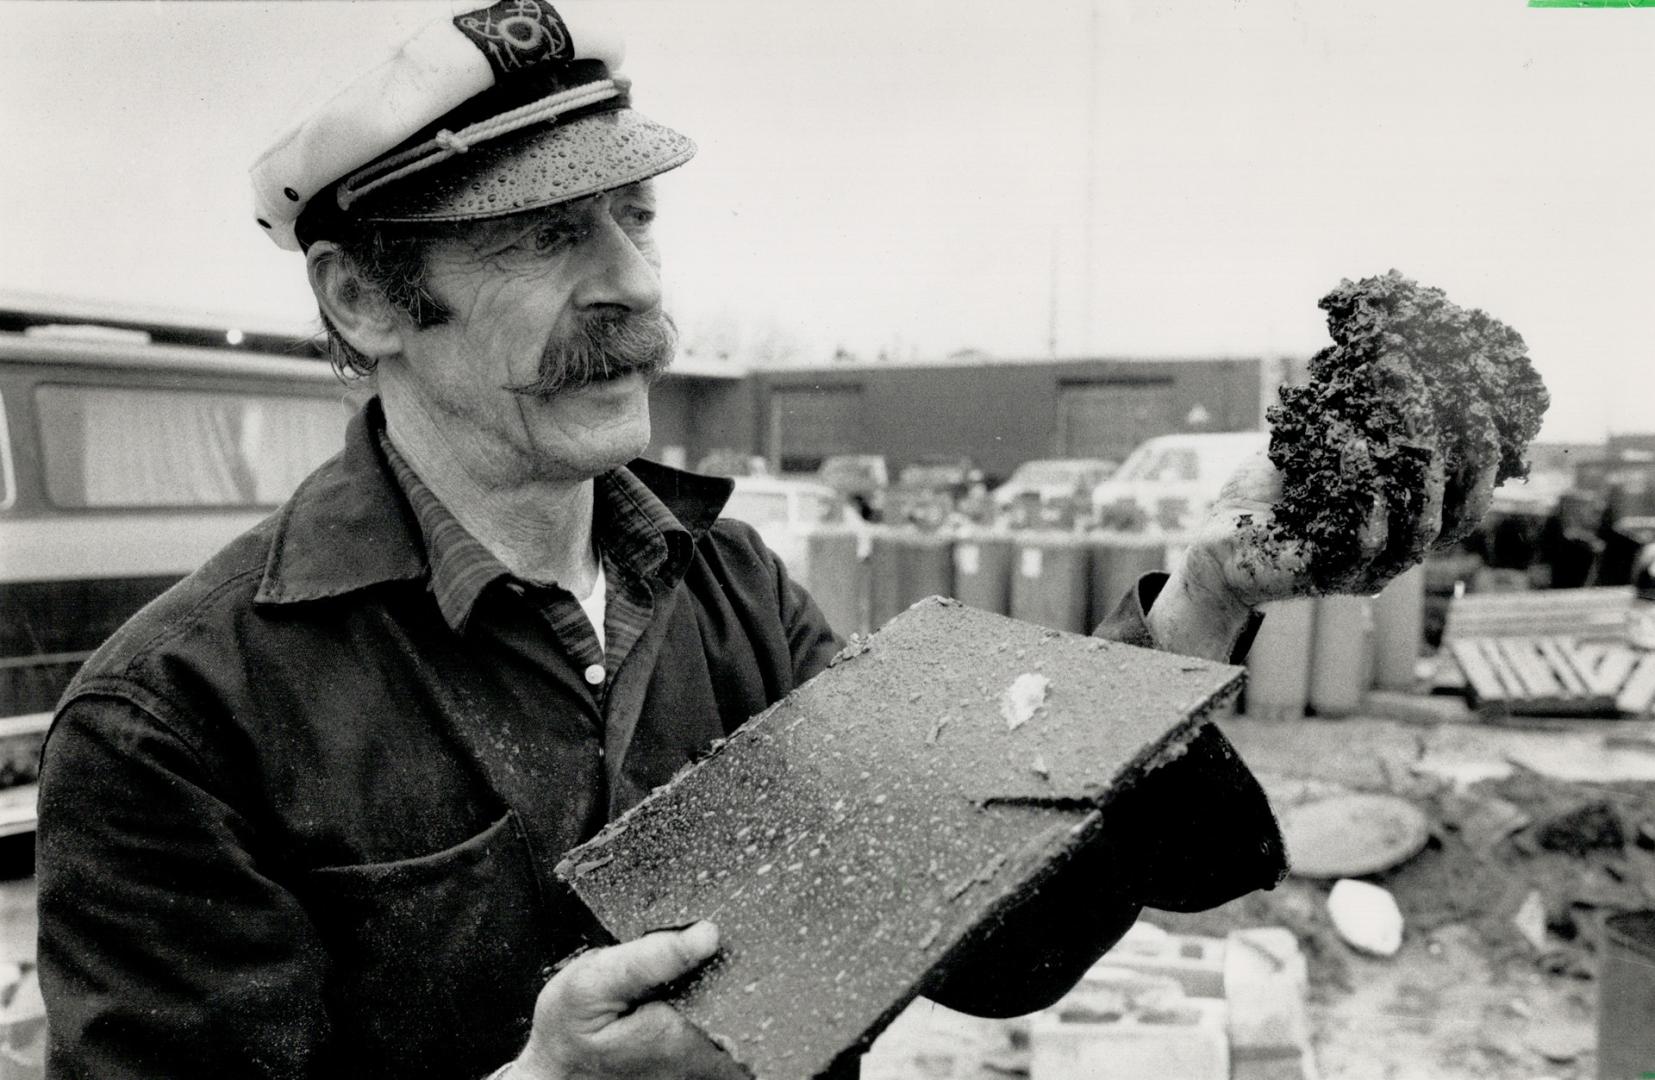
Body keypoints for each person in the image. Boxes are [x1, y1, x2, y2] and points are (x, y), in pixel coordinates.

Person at [34, 4, 1495, 1078]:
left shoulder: (728, 591)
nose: (637, 295)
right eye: (549, 238)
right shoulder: (175, 721)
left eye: (637, 219)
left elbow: (994, 944)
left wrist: (1206, 592)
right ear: (362, 304)